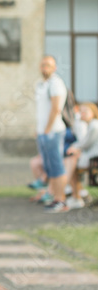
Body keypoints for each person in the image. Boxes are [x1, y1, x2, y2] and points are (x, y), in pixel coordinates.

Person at [31, 54, 68, 212]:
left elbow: (56, 108)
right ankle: (53, 197)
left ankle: (61, 201)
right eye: (43, 64)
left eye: (48, 65)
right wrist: (39, 131)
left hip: (53, 132)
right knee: (49, 167)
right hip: (43, 132)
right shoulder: (42, 84)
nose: (45, 67)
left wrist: (46, 131)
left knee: (56, 166)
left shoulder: (56, 83)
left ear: (54, 68)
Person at [64, 103, 98, 208]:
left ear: (93, 112)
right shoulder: (90, 125)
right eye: (81, 111)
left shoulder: (94, 125)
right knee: (72, 163)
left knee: (72, 164)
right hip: (92, 157)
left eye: (85, 111)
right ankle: (77, 194)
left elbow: (85, 143)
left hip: (94, 158)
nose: (82, 114)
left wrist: (74, 148)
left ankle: (76, 196)